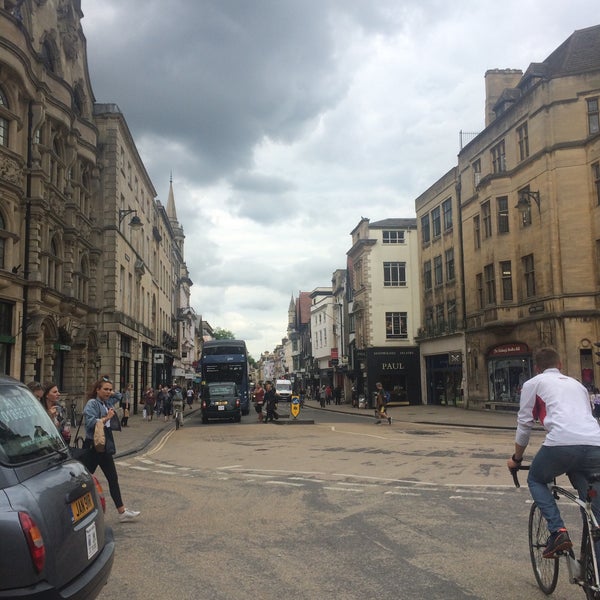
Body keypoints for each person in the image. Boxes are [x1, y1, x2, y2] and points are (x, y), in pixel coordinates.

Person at [507, 347, 600, 559]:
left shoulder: (533, 384)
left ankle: (558, 531)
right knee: (595, 514)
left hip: (561, 444)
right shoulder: (578, 386)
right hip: (596, 444)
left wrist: (516, 459)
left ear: (537, 368)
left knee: (536, 479)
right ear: (560, 365)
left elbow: (524, 425)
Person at [82, 376, 140, 523]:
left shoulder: (106, 402)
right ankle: (77, 510)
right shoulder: (92, 403)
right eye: (105, 389)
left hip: (104, 445)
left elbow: (119, 396)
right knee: (83, 480)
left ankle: (122, 512)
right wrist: (106, 418)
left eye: (110, 389)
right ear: (97, 390)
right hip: (93, 446)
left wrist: (111, 391)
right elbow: (89, 423)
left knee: (113, 478)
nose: (108, 392)